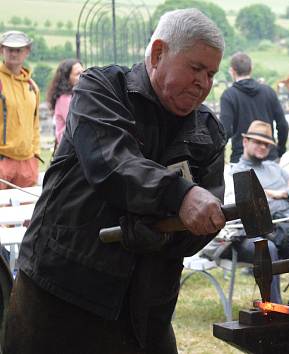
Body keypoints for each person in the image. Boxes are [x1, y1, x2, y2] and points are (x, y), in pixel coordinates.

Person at [3, 9, 228, 354]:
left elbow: (206, 217)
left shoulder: (207, 131)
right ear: (158, 54)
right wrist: (178, 196)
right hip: (63, 290)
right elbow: (110, 162)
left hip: (146, 305)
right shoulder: (100, 89)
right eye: (196, 68)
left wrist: (163, 238)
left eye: (211, 73)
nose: (204, 82)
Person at [224, 120, 289, 304]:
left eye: (266, 144)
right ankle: (275, 310)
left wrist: (281, 194)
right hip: (246, 235)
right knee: (267, 249)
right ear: (245, 142)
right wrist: (284, 200)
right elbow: (249, 208)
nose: (262, 147)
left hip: (279, 230)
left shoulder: (274, 168)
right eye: (257, 142)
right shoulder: (235, 172)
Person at [220, 52, 288, 163]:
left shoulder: (229, 95)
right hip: (268, 155)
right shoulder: (268, 91)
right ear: (251, 69)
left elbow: (224, 131)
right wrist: (279, 150)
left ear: (232, 71)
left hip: (241, 157)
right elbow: (283, 125)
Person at [0, 30, 40, 189]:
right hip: (2, 159)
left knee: (26, 213)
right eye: (9, 49)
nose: (13, 53)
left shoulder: (32, 86)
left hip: (27, 163)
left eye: (18, 50)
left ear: (27, 52)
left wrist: (35, 156)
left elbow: (35, 125)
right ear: (2, 50)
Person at [46, 58, 84, 146]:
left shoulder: (76, 95)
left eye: (83, 72)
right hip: (69, 147)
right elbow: (76, 123)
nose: (82, 76)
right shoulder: (64, 99)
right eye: (78, 74)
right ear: (67, 78)